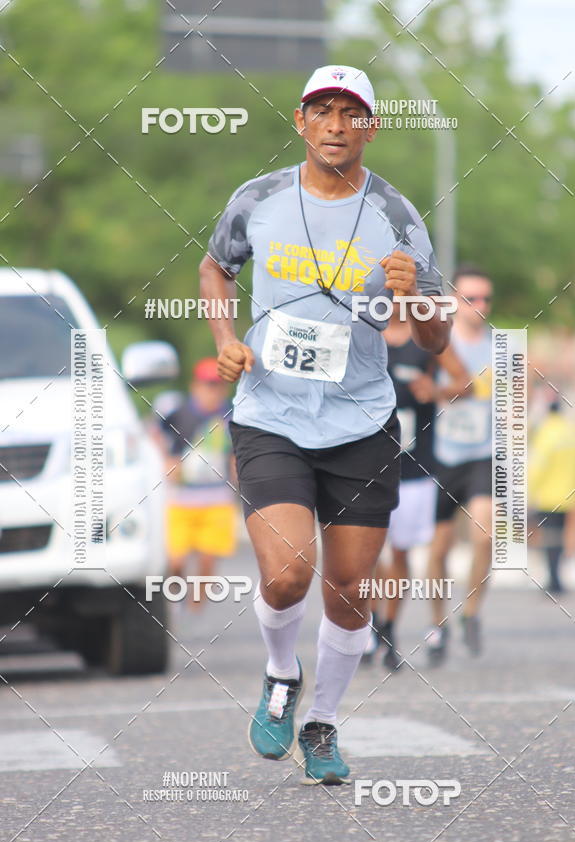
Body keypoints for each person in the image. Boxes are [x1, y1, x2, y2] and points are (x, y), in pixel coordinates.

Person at [199, 64, 451, 784]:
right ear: (301, 121)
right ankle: (282, 674)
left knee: (348, 590)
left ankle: (323, 723)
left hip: (361, 421)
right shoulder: (260, 199)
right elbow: (217, 269)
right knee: (286, 576)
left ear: (371, 126)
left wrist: (418, 302)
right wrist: (224, 339)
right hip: (271, 415)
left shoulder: (397, 218)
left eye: (352, 113)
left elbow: (435, 340)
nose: (337, 124)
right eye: (323, 110)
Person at [364, 312, 471, 671]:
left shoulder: (425, 337)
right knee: (362, 554)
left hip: (413, 467)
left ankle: (387, 629)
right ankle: (368, 624)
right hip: (361, 464)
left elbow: (465, 382)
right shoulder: (362, 333)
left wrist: (438, 390)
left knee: (398, 553)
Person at [425, 264, 494, 664]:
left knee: (485, 537)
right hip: (441, 455)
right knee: (438, 549)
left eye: (485, 298)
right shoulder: (437, 341)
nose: (480, 306)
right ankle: (438, 623)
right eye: (471, 298)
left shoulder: (500, 346)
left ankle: (471, 613)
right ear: (453, 300)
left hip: (482, 454)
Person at [160, 358, 237, 609]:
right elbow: (159, 435)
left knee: (207, 561)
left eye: (217, 385)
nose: (212, 391)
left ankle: (192, 615)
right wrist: (168, 464)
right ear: (195, 385)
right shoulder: (179, 412)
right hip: (182, 501)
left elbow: (235, 453)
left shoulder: (231, 415)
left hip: (216, 500)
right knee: (176, 560)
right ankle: (175, 597)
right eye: (207, 384)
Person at [528, 397, 575, 593]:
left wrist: (529, 490)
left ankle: (553, 578)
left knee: (549, 537)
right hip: (570, 493)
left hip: (548, 494)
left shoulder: (546, 433)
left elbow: (538, 465)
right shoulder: (574, 432)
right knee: (561, 536)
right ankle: (556, 577)